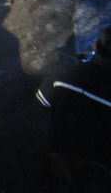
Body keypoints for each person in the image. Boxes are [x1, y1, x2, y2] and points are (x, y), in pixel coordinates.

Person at [36, 25, 111, 192]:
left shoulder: (61, 77)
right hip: (100, 173)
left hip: (60, 168)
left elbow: (41, 107)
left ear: (95, 46)